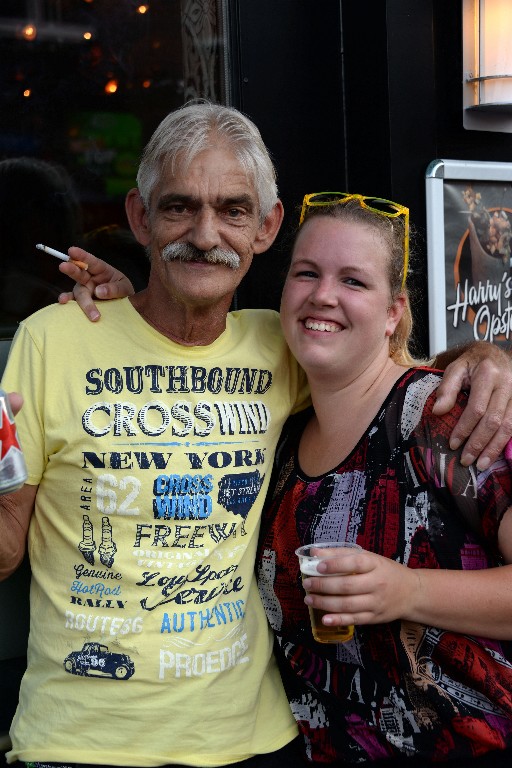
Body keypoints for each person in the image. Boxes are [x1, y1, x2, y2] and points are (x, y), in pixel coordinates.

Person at [1, 102, 511, 768]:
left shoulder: (281, 344)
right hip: (84, 743)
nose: (204, 234)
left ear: (265, 227)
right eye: (179, 207)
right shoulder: (54, 340)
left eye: (233, 210)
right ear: (140, 218)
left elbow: (387, 377)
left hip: (258, 741)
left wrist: (487, 359)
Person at [256, 192, 512, 767]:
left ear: (394, 311)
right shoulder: (280, 438)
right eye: (306, 273)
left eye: (353, 281)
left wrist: (407, 590)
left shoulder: (451, 416)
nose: (323, 295)